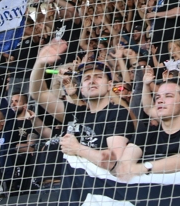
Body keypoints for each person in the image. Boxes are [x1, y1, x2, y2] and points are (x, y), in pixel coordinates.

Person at [30, 41, 132, 178]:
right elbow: (38, 93)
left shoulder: (117, 113)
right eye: (86, 78)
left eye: (98, 76)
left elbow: (113, 162)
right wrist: (40, 63)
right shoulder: (75, 113)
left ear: (109, 85)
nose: (91, 81)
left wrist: (78, 148)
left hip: (96, 190)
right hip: (60, 187)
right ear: (82, 89)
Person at [115, 79, 180, 181]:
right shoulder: (146, 133)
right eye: (157, 97)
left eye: (168, 96)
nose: (160, 100)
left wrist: (142, 168)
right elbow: (124, 164)